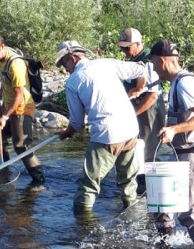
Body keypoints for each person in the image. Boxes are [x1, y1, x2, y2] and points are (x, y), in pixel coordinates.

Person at [54, 41, 145, 215]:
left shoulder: (73, 82)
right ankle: (132, 216)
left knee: (88, 185)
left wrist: (67, 133)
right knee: (128, 183)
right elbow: (141, 69)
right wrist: (139, 88)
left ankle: (82, 224)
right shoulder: (107, 63)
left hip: (107, 135)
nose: (64, 69)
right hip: (131, 130)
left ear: (73, 58)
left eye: (64, 63)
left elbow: (77, 123)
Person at [148, 39, 194, 249]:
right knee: (161, 205)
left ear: (161, 61)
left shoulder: (185, 83)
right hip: (181, 155)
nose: (152, 68)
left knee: (187, 212)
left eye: (152, 63)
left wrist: (173, 130)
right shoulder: (175, 83)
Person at [0, 30, 45, 185]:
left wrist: (5, 116)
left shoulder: (15, 64)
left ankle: (39, 181)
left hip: (21, 108)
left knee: (21, 146)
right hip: (8, 106)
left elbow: (20, 95)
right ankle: (4, 175)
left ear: (1, 46)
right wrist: (1, 90)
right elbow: (7, 80)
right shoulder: (0, 58)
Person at [117, 27, 166, 184]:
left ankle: (150, 186)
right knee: (137, 148)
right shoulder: (133, 62)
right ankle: (139, 184)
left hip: (149, 110)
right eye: (122, 47)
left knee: (148, 150)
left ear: (138, 44)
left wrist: (133, 114)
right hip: (138, 111)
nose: (124, 50)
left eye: (127, 47)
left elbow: (152, 97)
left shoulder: (149, 64)